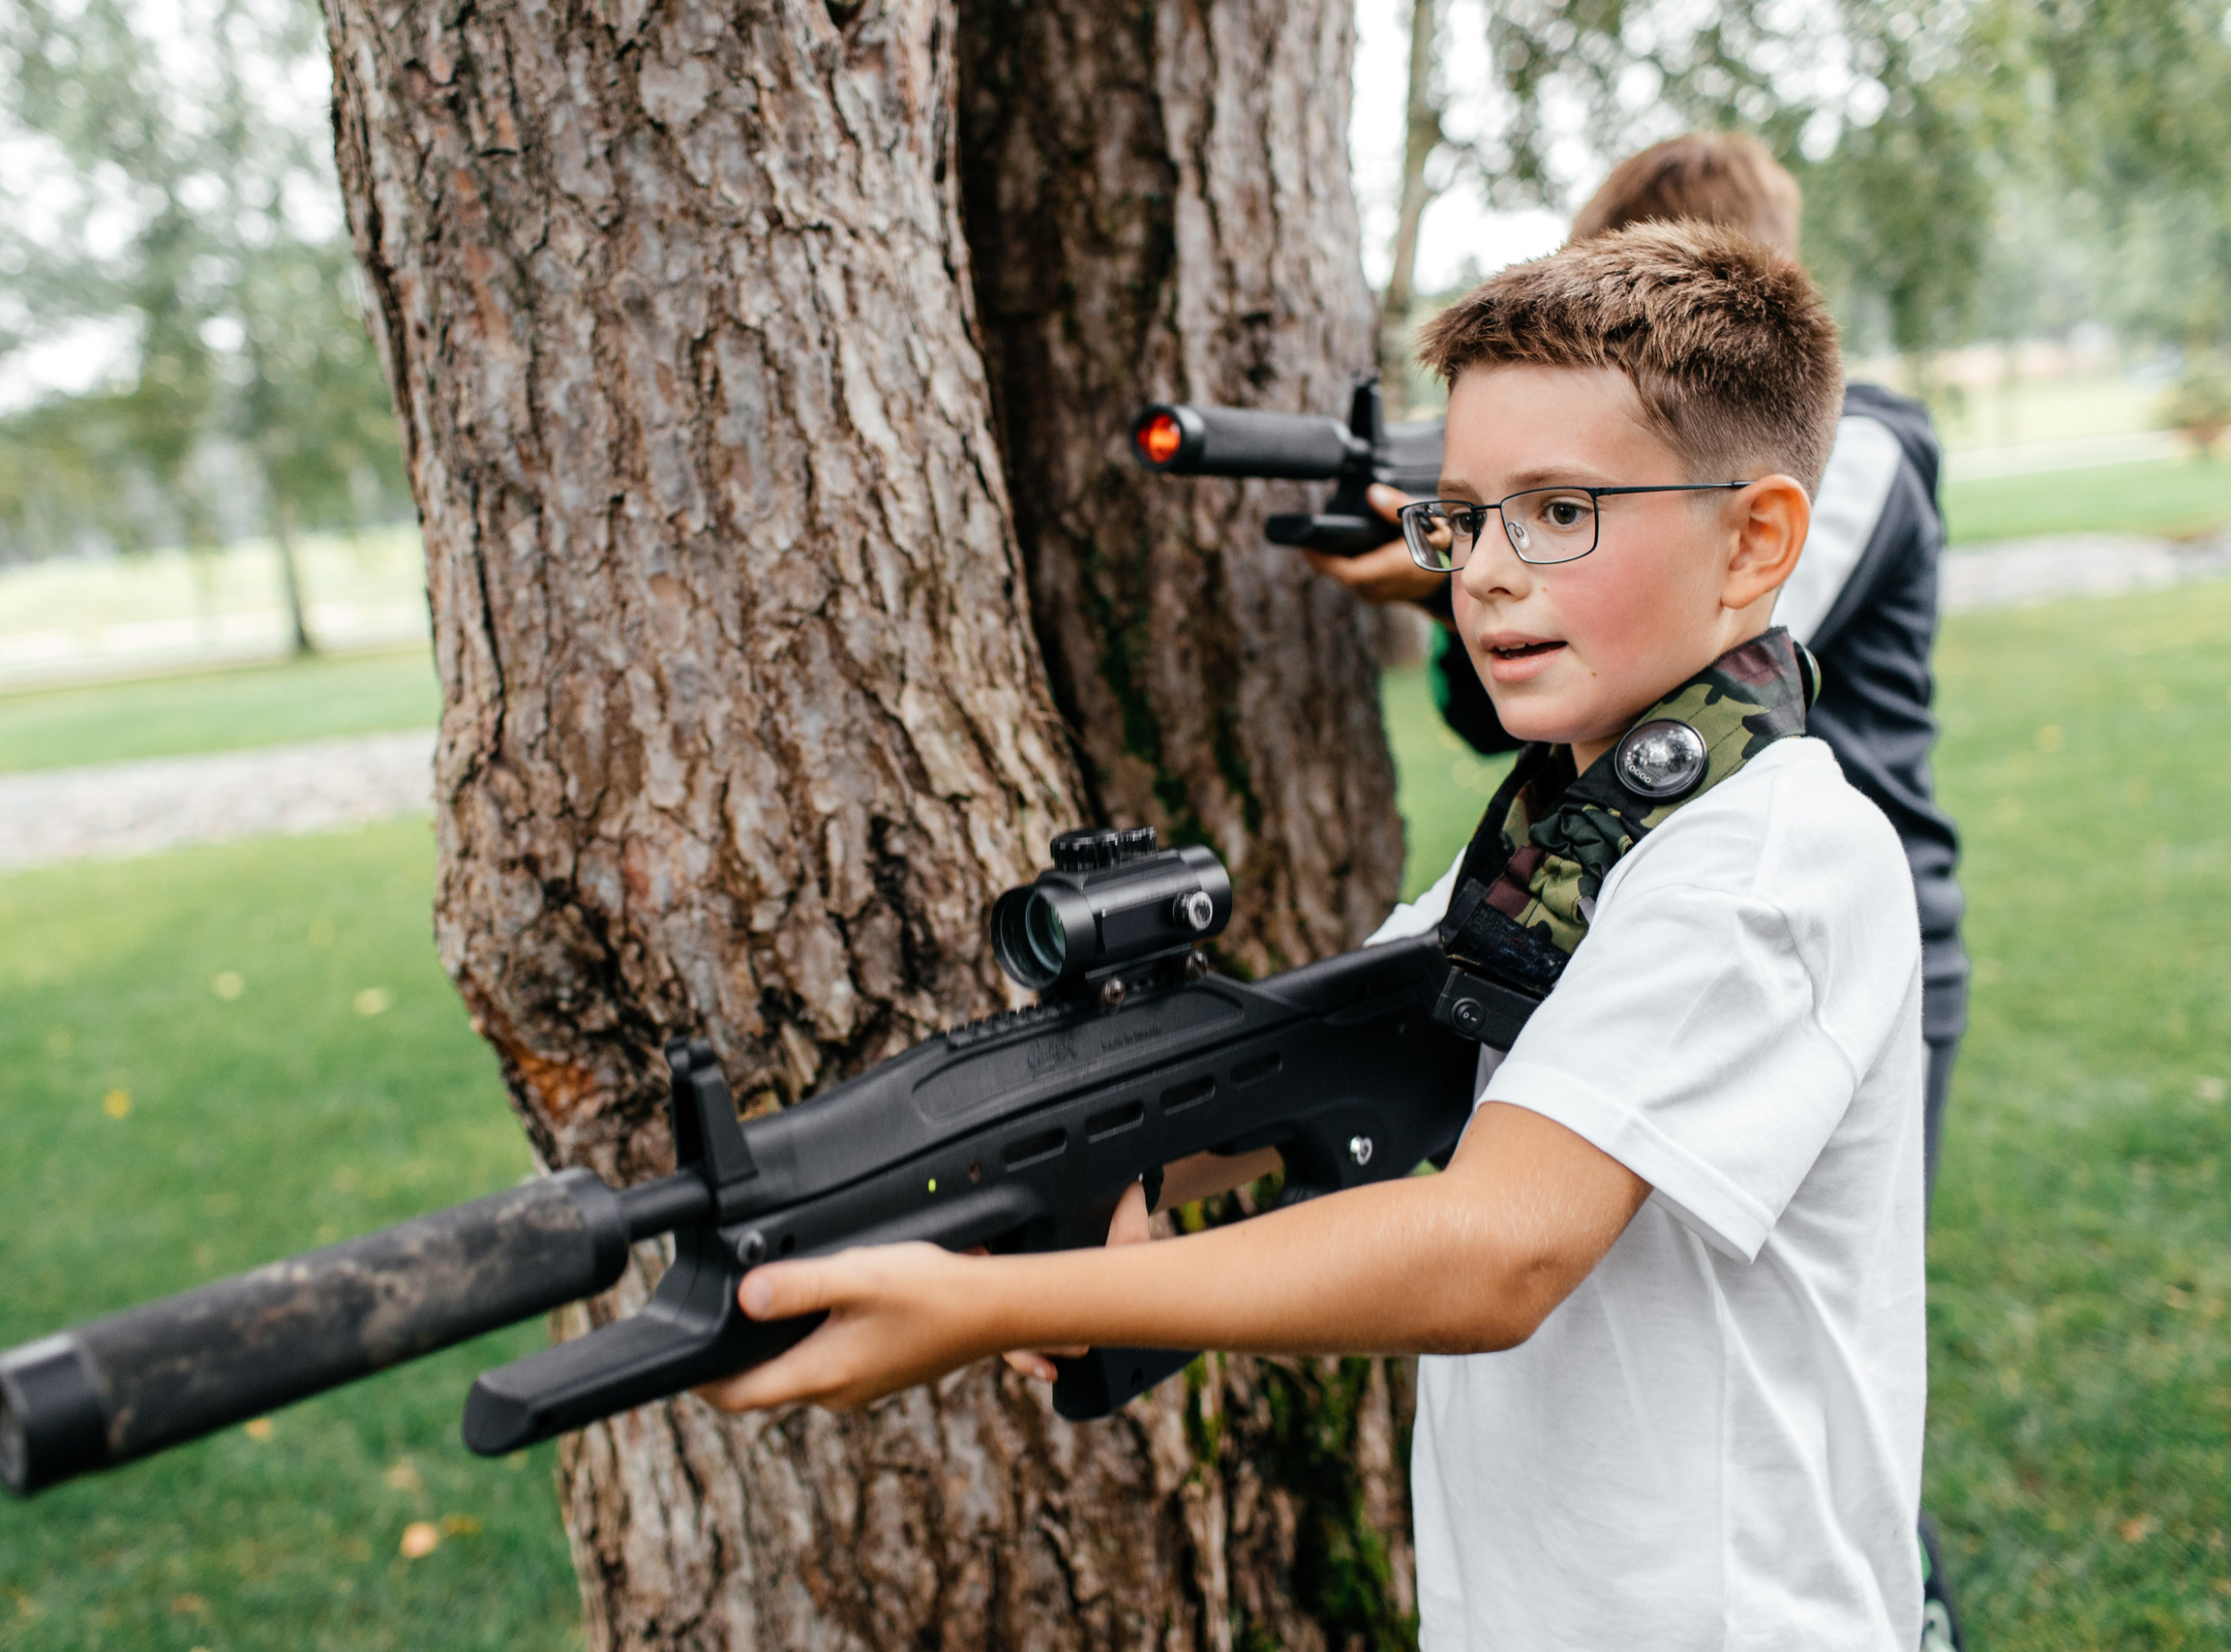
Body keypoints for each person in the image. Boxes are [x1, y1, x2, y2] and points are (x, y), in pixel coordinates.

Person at [702, 223, 1929, 1651]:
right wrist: (1066, 1192)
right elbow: (1342, 1076)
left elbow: (1496, 1248)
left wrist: (1009, 1301)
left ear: (1756, 540)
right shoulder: (1570, 830)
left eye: (1558, 511)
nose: (1484, 572)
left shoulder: (1762, 861)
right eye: (1460, 516)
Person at [1315, 132, 1970, 1208]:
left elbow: (1741, 620)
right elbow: (1530, 700)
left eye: (1563, 506)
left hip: (1834, 916)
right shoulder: (1544, 817)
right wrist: (1479, 569)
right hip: (1618, 858)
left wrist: (1488, 560)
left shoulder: (1865, 450)